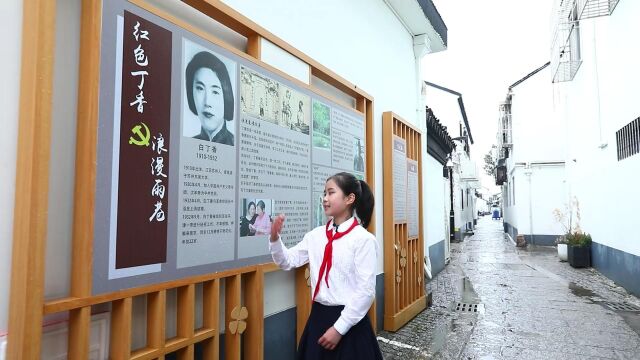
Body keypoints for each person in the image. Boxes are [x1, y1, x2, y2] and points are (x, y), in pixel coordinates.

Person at [269, 172, 383, 359]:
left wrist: (339, 328)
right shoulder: (315, 236)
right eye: (324, 193)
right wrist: (275, 239)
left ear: (349, 198)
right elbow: (287, 261)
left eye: (331, 193)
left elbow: (366, 291)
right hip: (318, 318)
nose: (325, 198)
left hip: (351, 323)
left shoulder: (363, 240)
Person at [185, 51, 234, 145]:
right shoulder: (187, 144)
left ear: (226, 97)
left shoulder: (235, 144)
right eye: (200, 88)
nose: (207, 102)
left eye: (215, 92)